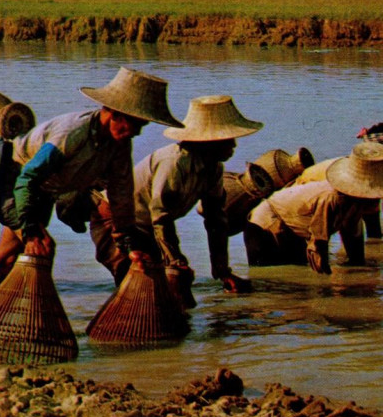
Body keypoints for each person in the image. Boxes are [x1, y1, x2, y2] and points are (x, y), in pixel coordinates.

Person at [0, 66, 182, 313]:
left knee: (8, 256)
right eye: (134, 124)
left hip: (45, 188)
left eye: (141, 127)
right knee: (37, 248)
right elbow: (28, 178)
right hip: (15, 177)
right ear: (113, 113)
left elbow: (121, 196)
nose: (135, 132)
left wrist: (128, 244)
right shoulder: (73, 132)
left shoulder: (119, 146)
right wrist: (30, 230)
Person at [89, 94, 262, 293]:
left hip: (147, 227)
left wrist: (222, 271)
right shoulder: (174, 162)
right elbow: (160, 217)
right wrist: (175, 259)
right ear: (209, 142)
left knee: (173, 285)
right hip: (115, 221)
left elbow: (216, 220)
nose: (234, 146)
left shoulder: (213, 169)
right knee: (139, 284)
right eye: (228, 140)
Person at [243, 142, 383, 275]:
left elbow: (353, 240)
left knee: (297, 278)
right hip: (265, 225)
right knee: (270, 283)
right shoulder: (335, 197)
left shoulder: (356, 202)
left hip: (293, 227)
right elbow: (318, 242)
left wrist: (363, 271)